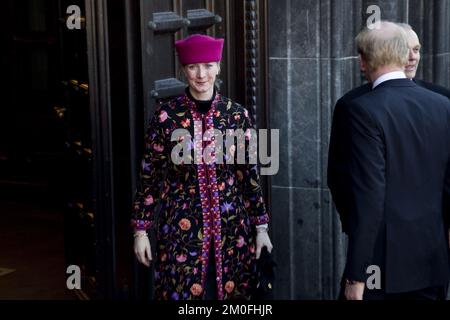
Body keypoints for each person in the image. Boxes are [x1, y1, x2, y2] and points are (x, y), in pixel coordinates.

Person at [131, 34, 273, 300]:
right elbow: (149, 176)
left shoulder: (236, 115)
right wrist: (141, 230)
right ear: (184, 69)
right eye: (193, 66)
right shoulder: (166, 117)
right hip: (179, 233)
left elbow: (248, 175)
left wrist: (261, 228)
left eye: (208, 65)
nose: (201, 74)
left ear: (218, 66)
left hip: (232, 233)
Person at [327, 21, 450, 300]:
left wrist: (356, 274)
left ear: (363, 60)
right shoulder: (443, 105)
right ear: (402, 54)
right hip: (433, 265)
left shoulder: (361, 110)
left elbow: (367, 197)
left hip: (382, 267)